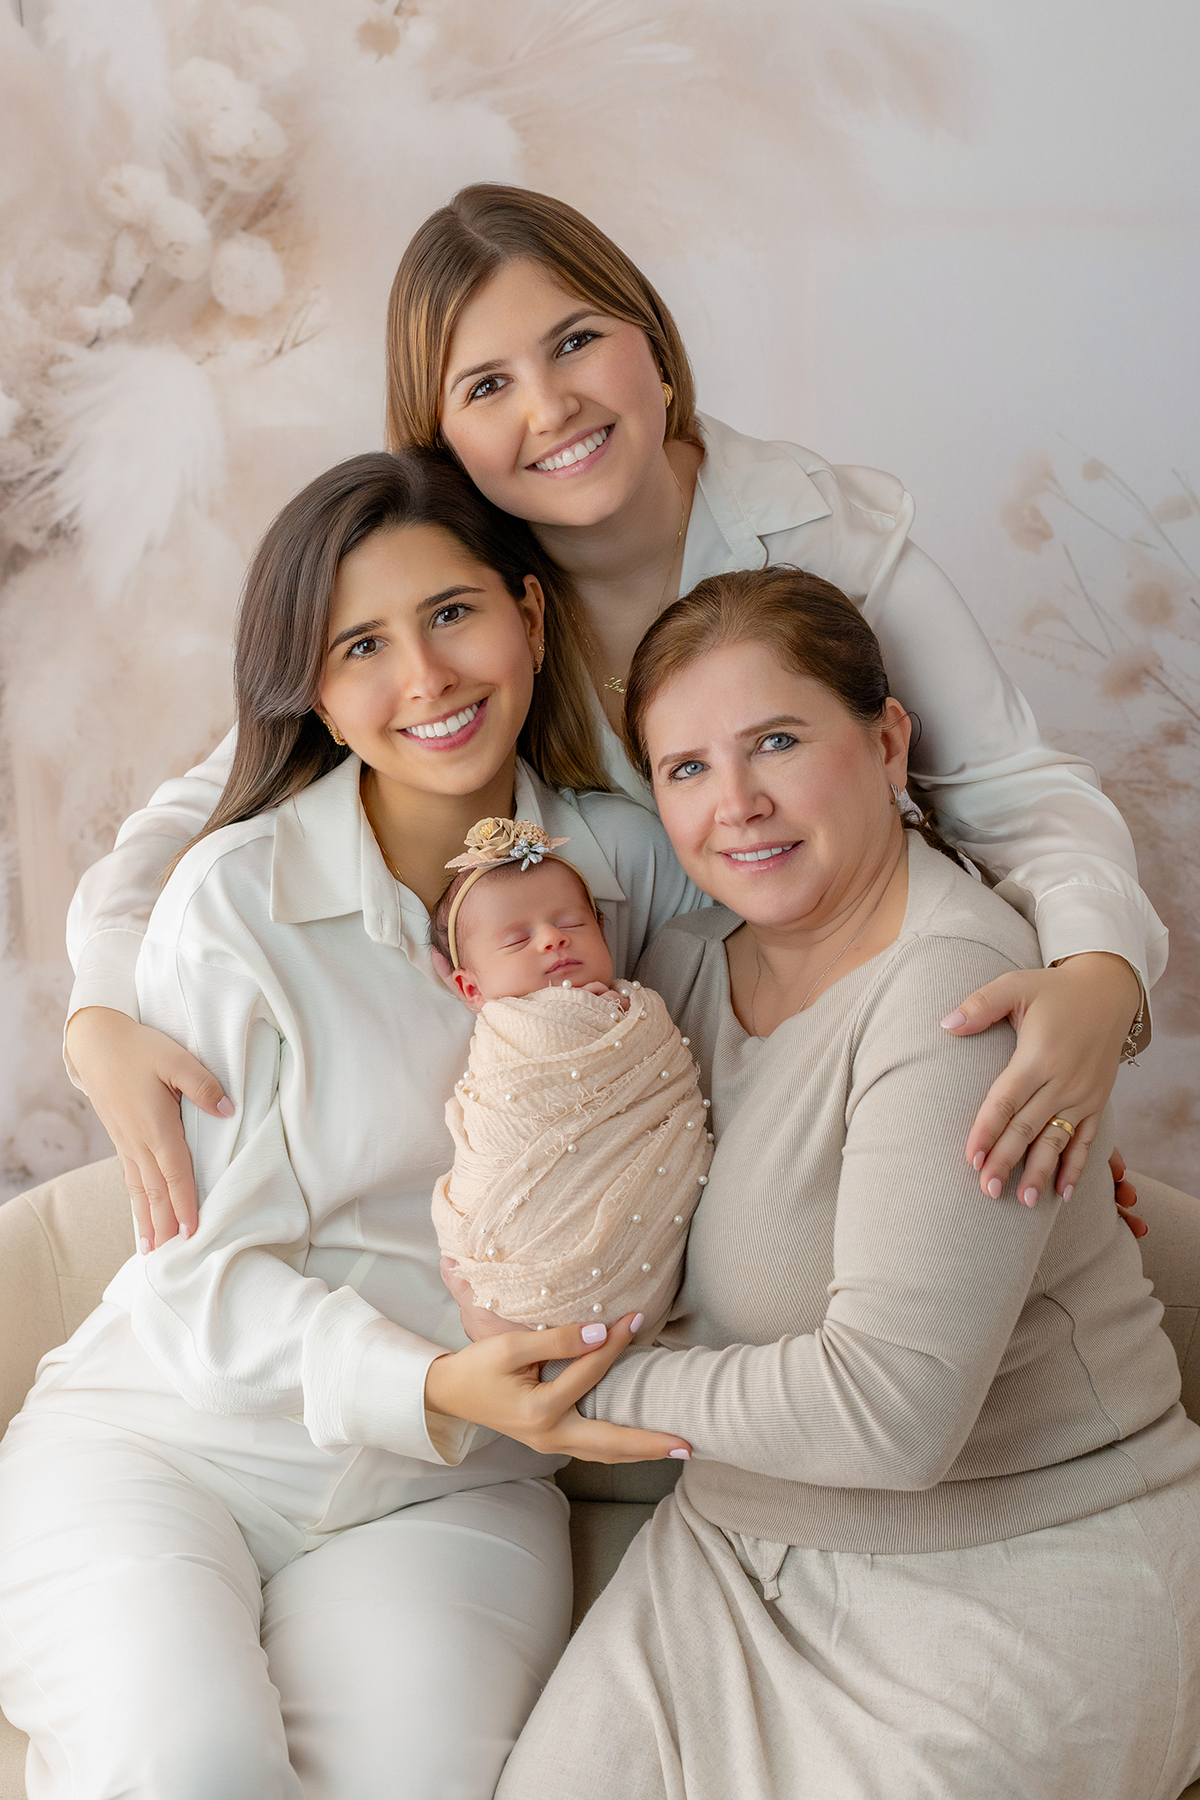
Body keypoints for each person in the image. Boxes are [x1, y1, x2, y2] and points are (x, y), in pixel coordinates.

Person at [65, 187, 1151, 1255]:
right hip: (620, 1099)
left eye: (576, 341)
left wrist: (1096, 977)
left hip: (844, 1034)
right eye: (488, 384)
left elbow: (1015, 796)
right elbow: (200, 816)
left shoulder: (827, 536)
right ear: (440, 438)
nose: (550, 409)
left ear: (653, 342)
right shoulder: (457, 609)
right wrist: (99, 1018)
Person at [0, 449, 696, 1800]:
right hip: (168, 1440)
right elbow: (198, 1283)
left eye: (453, 614)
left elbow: (832, 938)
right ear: (312, 692)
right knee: (194, 1767)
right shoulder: (236, 900)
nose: (424, 678)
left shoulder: (635, 868)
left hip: (449, 1492)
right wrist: (429, 1383)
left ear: (531, 618)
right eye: (359, 646)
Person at [470, 568, 1200, 1800]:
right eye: (688, 768)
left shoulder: (953, 989)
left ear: (887, 741)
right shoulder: (682, 970)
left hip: (1017, 1568)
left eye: (777, 742)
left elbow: (896, 1415)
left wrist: (579, 1384)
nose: (736, 804)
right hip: (733, 1555)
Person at [429, 817, 710, 1334]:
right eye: (517, 941)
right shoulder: (511, 1036)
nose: (553, 940)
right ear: (471, 990)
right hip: (516, 1241)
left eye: (574, 923)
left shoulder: (640, 1014)